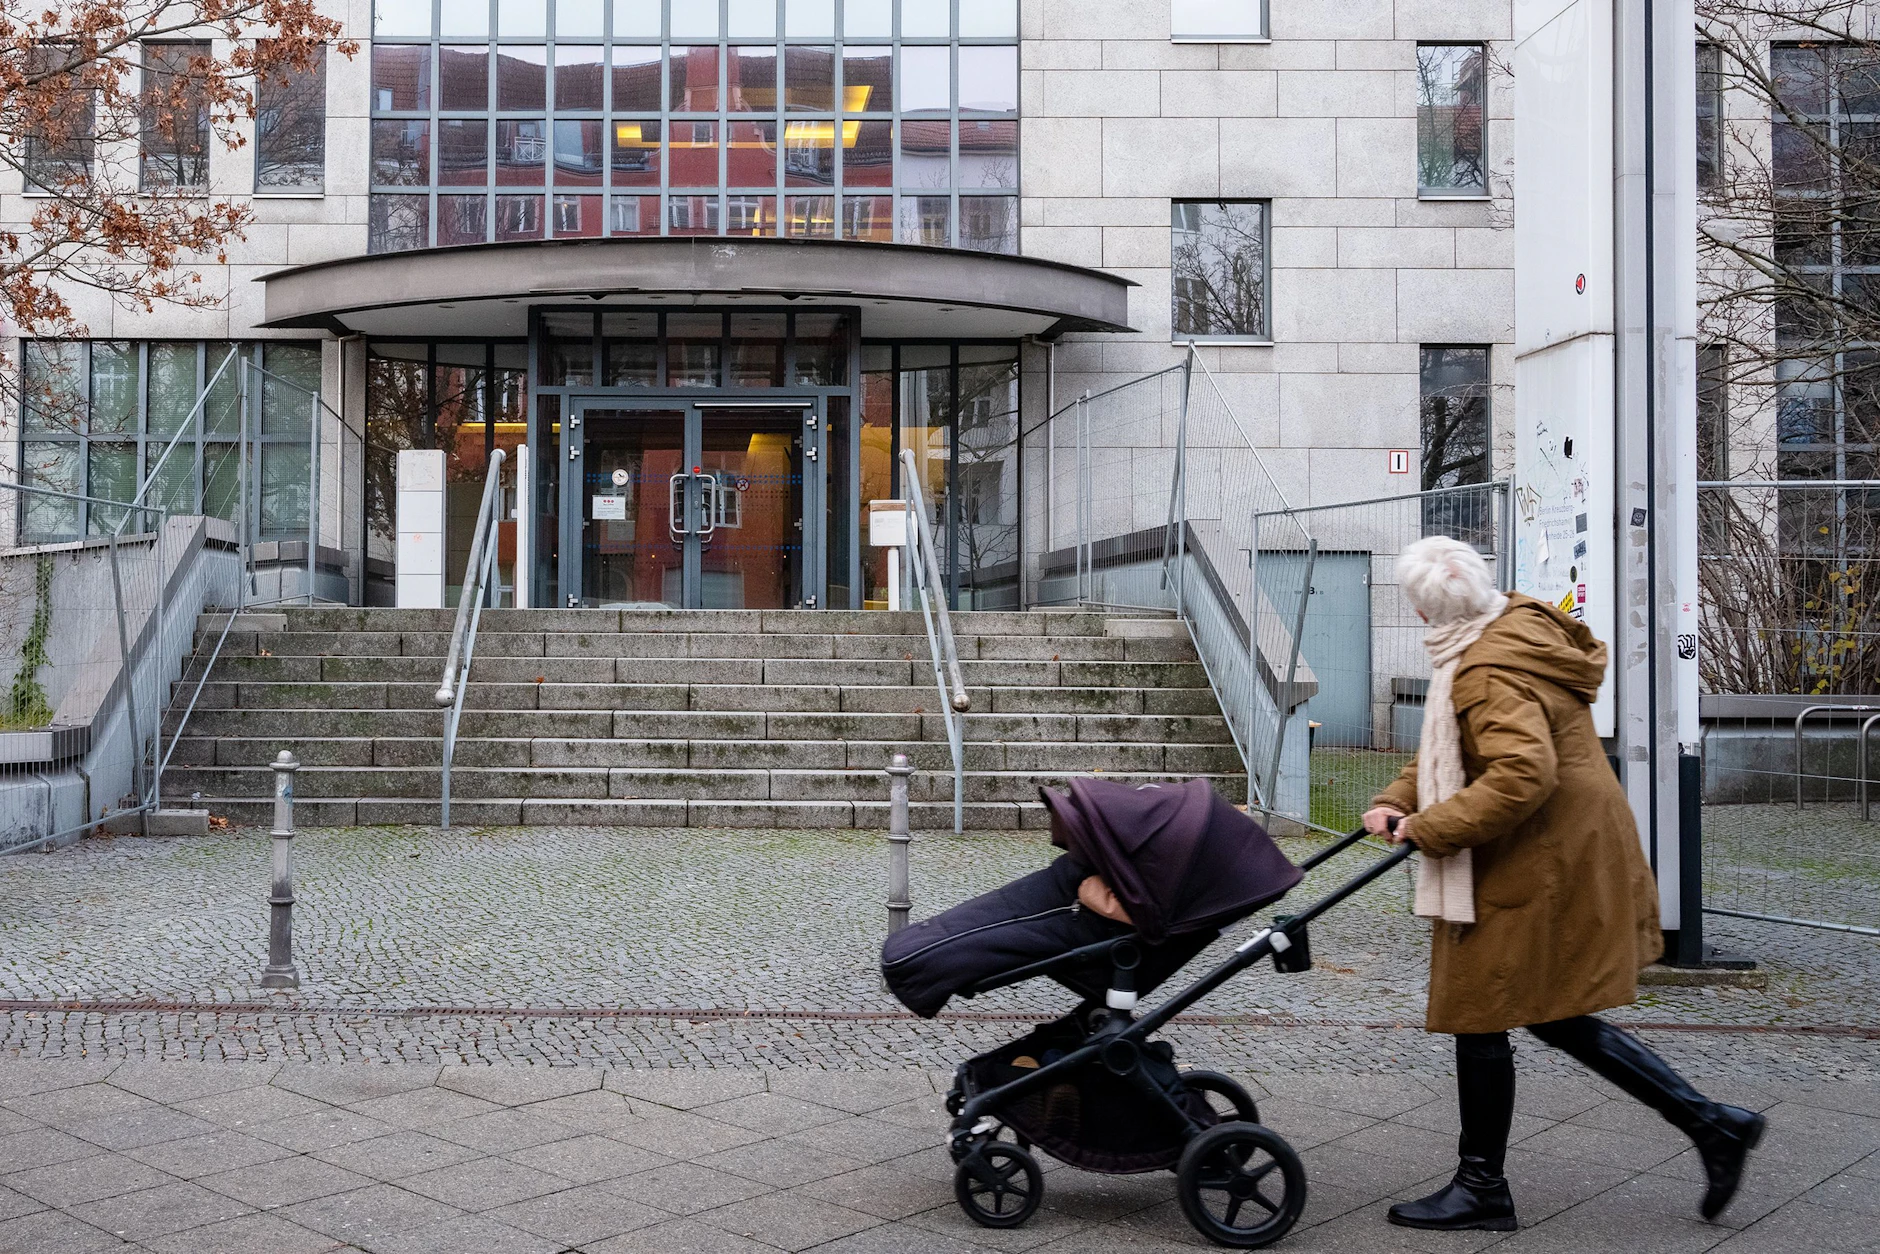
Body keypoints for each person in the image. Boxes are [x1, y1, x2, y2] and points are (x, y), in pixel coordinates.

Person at [1360, 536, 1763, 1233]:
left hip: (1540, 855)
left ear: (1428, 611)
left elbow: (1520, 775)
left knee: (1480, 1006)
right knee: (1547, 1011)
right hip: (1561, 844)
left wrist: (1427, 829)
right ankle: (1711, 1123)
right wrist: (1400, 796)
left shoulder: (1486, 667)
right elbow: (1450, 746)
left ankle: (1483, 1188)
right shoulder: (1512, 622)